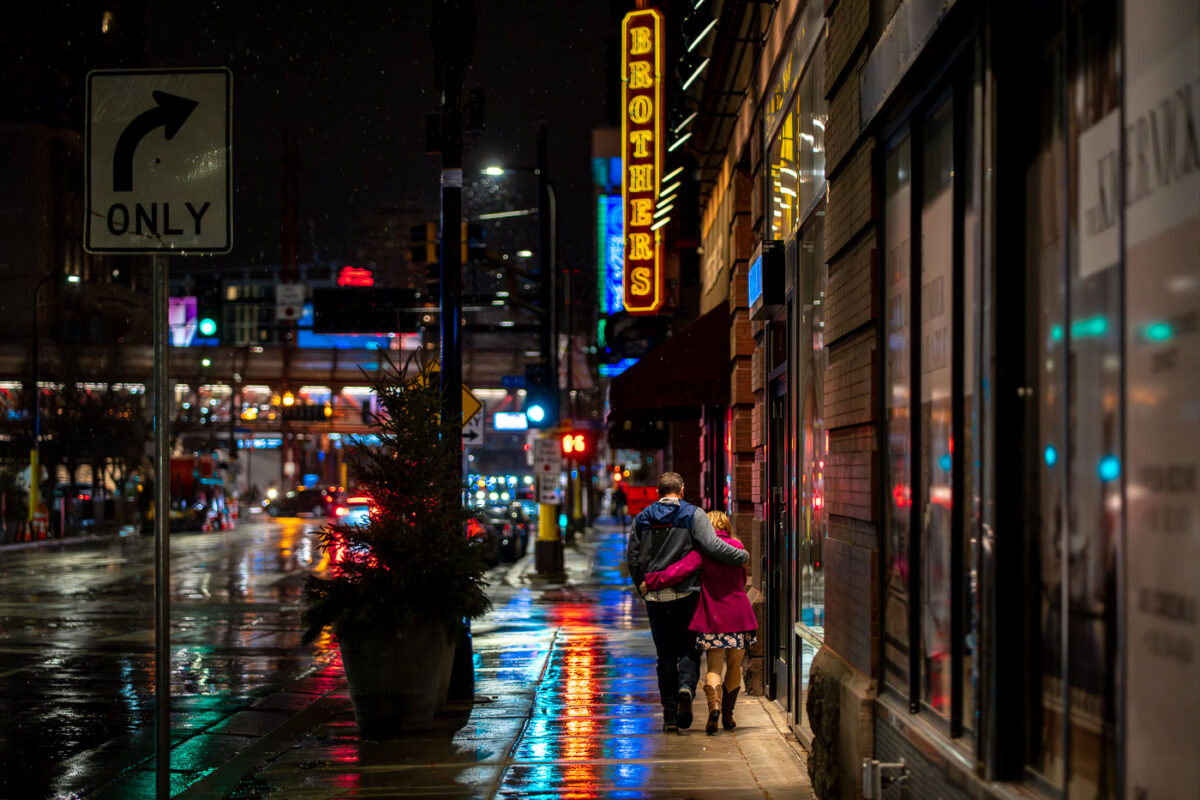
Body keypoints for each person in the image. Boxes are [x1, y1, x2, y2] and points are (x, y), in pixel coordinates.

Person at [626, 472, 748, 733]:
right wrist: (740, 555)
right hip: (686, 596)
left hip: (656, 598)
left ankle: (670, 717)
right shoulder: (693, 514)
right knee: (690, 651)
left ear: (658, 492)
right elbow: (712, 546)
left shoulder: (642, 518)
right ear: (682, 490)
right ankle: (686, 688)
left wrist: (643, 586)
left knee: (665, 656)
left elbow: (633, 558)